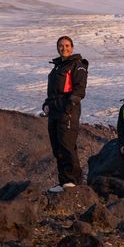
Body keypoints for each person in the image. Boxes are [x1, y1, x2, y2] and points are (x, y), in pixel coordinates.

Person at [42, 36, 88, 192]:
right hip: (54, 112)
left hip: (67, 112)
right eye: (61, 46)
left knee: (66, 146)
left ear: (72, 47)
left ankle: (73, 181)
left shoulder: (77, 65)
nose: (64, 48)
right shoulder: (57, 67)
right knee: (57, 148)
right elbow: (52, 93)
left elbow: (79, 90)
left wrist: (68, 108)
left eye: (67, 45)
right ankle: (63, 182)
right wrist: (46, 105)